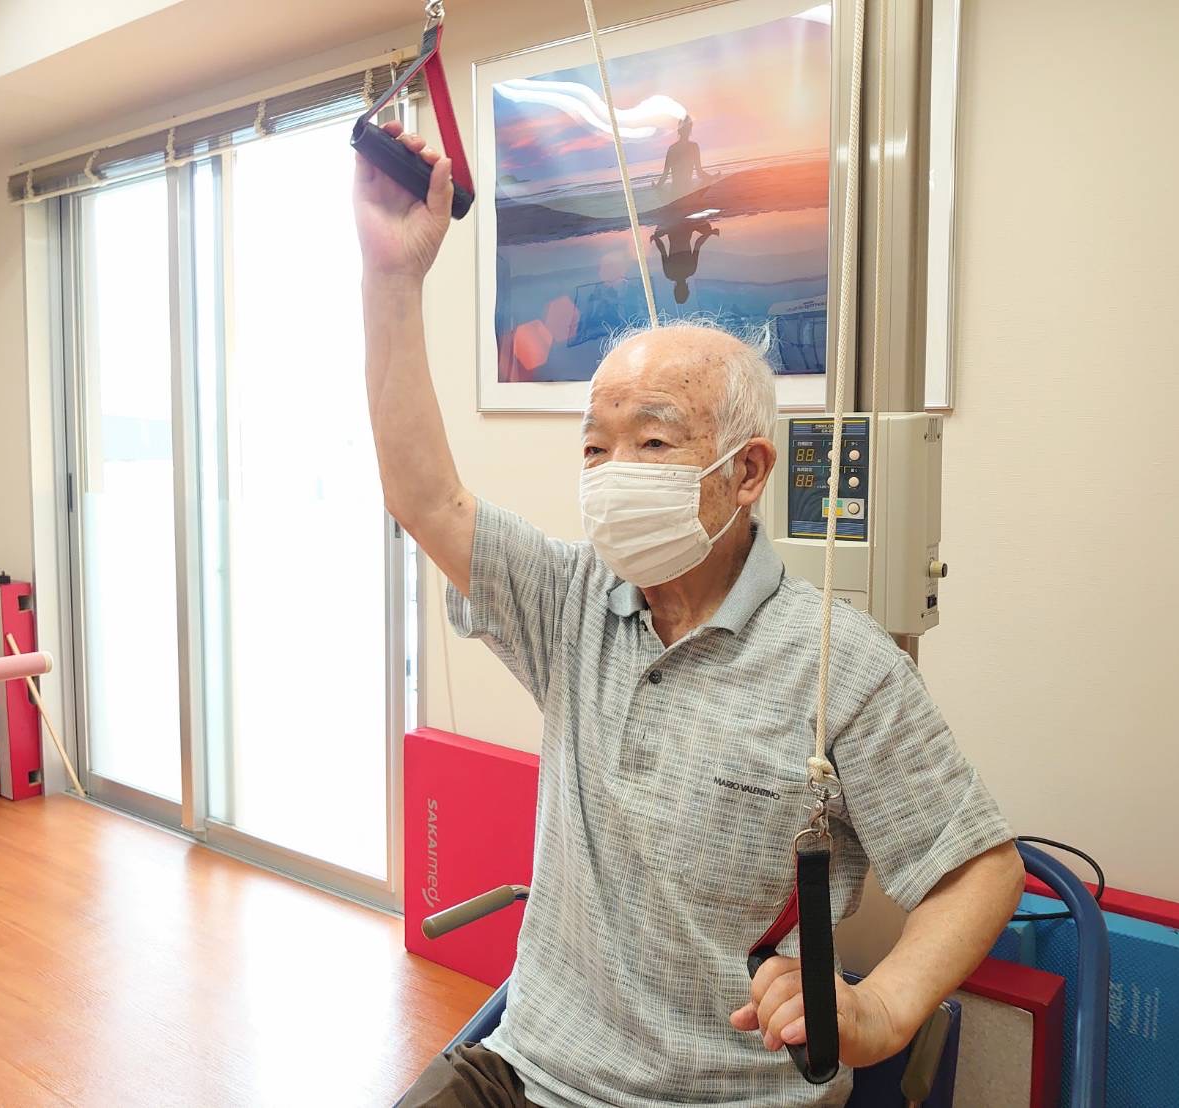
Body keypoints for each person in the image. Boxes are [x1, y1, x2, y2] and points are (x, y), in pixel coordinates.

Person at [356, 123, 1024, 1108]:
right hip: (530, 1068)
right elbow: (427, 499)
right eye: (594, 448)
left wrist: (882, 1007)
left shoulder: (840, 665)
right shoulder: (570, 600)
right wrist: (391, 278)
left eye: (652, 441)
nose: (610, 473)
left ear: (745, 473)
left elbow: (980, 868)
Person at [651, 217, 719, 305]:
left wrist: (710, 233)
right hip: (672, 229)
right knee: (658, 233)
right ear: (675, 289)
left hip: (687, 228)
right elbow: (662, 250)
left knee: (707, 229)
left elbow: (697, 244)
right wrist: (655, 238)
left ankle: (690, 223)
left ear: (687, 289)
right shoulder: (669, 274)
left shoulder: (691, 270)